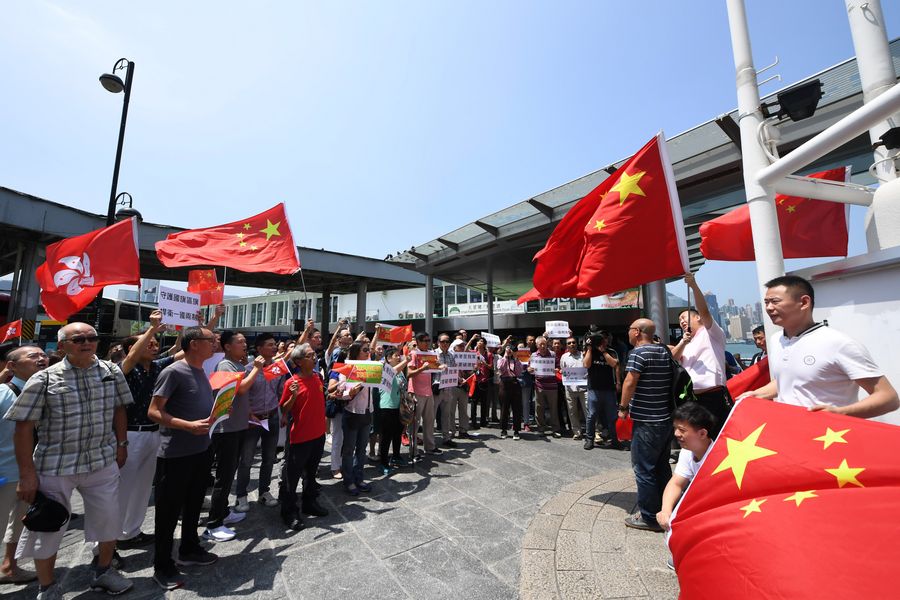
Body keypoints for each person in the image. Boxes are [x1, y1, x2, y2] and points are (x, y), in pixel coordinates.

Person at [6, 323, 133, 598]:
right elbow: (23, 428)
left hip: (102, 459)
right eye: (79, 339)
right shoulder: (44, 379)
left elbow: (119, 409)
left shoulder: (111, 372)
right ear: (62, 346)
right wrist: (27, 474)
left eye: (91, 338)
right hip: (55, 465)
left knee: (109, 519)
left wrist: (122, 444)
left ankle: (104, 571)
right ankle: (47, 587)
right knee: (47, 527)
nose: (87, 343)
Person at [739, 275, 899, 418]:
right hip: (788, 431)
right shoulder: (776, 340)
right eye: (766, 302)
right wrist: (756, 394)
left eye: (775, 301)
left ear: (804, 302)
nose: (768, 308)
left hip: (829, 435)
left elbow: (888, 398)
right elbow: (789, 381)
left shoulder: (838, 343)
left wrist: (840, 413)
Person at [148, 326, 218, 590]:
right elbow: (154, 411)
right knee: (168, 512)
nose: (214, 343)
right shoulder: (173, 371)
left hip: (201, 449)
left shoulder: (201, 371)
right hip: (176, 453)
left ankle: (189, 547)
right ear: (194, 344)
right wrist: (186, 425)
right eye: (210, 340)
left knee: (194, 503)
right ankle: (162, 565)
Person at [115, 310, 181, 550]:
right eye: (149, 344)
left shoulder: (156, 367)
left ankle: (131, 532)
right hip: (130, 435)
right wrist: (152, 328)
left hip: (153, 433)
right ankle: (109, 541)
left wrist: (190, 327)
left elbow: (184, 350)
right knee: (122, 489)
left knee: (142, 488)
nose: (154, 347)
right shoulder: (123, 369)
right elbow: (131, 358)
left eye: (155, 344)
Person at [206, 332, 264, 540]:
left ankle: (223, 513)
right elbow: (241, 389)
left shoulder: (238, 365)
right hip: (226, 430)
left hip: (238, 426)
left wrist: (249, 414)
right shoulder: (225, 366)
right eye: (240, 342)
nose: (244, 344)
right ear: (227, 347)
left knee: (230, 473)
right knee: (224, 477)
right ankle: (214, 524)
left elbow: (240, 398)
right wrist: (256, 368)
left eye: (245, 341)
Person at [619, 318, 673, 533]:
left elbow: (630, 382)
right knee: (662, 466)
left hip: (646, 420)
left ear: (637, 332)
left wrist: (623, 408)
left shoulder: (638, 353)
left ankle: (649, 516)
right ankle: (666, 509)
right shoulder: (664, 351)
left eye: (629, 329)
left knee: (644, 469)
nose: (628, 333)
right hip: (665, 418)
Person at [0, 346, 46, 586]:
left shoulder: (47, 390)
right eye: (33, 356)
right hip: (4, 473)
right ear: (12, 366)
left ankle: (10, 566)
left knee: (19, 523)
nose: (42, 358)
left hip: (31, 472)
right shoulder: (3, 393)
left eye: (43, 355)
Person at [671, 273, 730, 433]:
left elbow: (705, 311)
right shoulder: (686, 342)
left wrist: (693, 285)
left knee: (713, 435)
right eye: (680, 320)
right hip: (689, 398)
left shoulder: (711, 333)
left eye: (685, 317)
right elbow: (673, 358)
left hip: (712, 396)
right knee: (693, 437)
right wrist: (683, 342)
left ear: (698, 318)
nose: (682, 321)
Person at [279, 343, 328, 531]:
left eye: (314, 354)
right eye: (309, 355)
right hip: (300, 437)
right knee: (292, 477)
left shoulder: (317, 377)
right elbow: (284, 409)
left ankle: (309, 503)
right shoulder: (291, 383)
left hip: (318, 434)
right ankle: (289, 512)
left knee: (311, 473)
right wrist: (292, 396)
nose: (314, 357)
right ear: (298, 361)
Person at [235, 333, 284, 510]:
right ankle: (241, 495)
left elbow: (280, 392)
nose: (274, 347)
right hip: (252, 420)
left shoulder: (278, 368)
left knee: (269, 458)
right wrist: (249, 413)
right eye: (270, 345)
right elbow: (242, 395)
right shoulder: (248, 370)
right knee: (246, 459)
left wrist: (284, 412)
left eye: (274, 344)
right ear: (259, 348)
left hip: (272, 417)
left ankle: (264, 491)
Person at [656, 402, 717, 532]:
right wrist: (666, 510)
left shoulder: (720, 458)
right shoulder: (687, 451)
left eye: (682, 430)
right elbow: (676, 483)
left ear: (702, 433)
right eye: (675, 428)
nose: (676, 433)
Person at [338, 342, 375, 494]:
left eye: (369, 349)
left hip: (367, 412)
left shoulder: (372, 367)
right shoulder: (347, 368)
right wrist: (350, 392)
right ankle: (348, 481)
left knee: (362, 449)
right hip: (352, 413)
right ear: (356, 352)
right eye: (365, 350)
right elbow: (340, 392)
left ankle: (359, 478)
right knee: (349, 449)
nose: (368, 352)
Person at [583, 331, 621, 450]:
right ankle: (589, 439)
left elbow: (614, 364)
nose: (603, 341)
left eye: (604, 338)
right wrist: (590, 349)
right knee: (592, 415)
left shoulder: (611, 351)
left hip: (609, 389)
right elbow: (586, 365)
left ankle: (615, 440)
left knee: (612, 416)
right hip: (594, 388)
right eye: (600, 339)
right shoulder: (591, 351)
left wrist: (604, 351)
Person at [408, 333, 441, 454]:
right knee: (415, 423)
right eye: (424, 340)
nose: (427, 342)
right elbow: (409, 373)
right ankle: (413, 451)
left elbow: (436, 368)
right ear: (418, 342)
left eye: (428, 340)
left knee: (429, 421)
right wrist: (422, 368)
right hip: (416, 392)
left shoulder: (431, 354)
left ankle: (430, 446)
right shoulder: (414, 354)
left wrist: (441, 366)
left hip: (428, 392)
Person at [379, 347, 408, 474]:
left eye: (399, 355)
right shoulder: (384, 369)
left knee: (397, 434)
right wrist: (406, 361)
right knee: (386, 436)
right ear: (388, 358)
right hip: (387, 406)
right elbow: (392, 373)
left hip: (399, 407)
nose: (399, 357)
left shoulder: (401, 371)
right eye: (396, 355)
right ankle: (383, 462)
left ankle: (396, 456)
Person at [529, 337, 561, 437]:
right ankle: (541, 428)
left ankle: (555, 429)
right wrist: (530, 370)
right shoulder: (533, 355)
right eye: (540, 344)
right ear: (537, 345)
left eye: (544, 344)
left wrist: (557, 370)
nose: (543, 346)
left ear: (547, 344)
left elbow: (558, 366)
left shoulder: (553, 354)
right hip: (539, 386)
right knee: (539, 408)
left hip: (552, 386)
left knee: (553, 408)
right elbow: (530, 368)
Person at [559, 337, 587, 440]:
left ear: (577, 344)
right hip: (570, 388)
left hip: (584, 388)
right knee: (572, 411)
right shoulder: (564, 357)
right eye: (569, 343)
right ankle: (577, 432)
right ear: (567, 346)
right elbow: (563, 369)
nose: (572, 344)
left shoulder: (583, 355)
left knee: (588, 411)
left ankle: (593, 432)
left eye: (573, 342)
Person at [496, 343, 524, 440]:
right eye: (509, 350)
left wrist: (515, 358)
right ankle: (503, 429)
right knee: (504, 408)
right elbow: (500, 368)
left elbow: (519, 372)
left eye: (512, 350)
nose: (510, 352)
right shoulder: (501, 359)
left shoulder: (517, 361)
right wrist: (505, 356)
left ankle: (516, 431)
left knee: (517, 408)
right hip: (504, 383)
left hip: (515, 383)